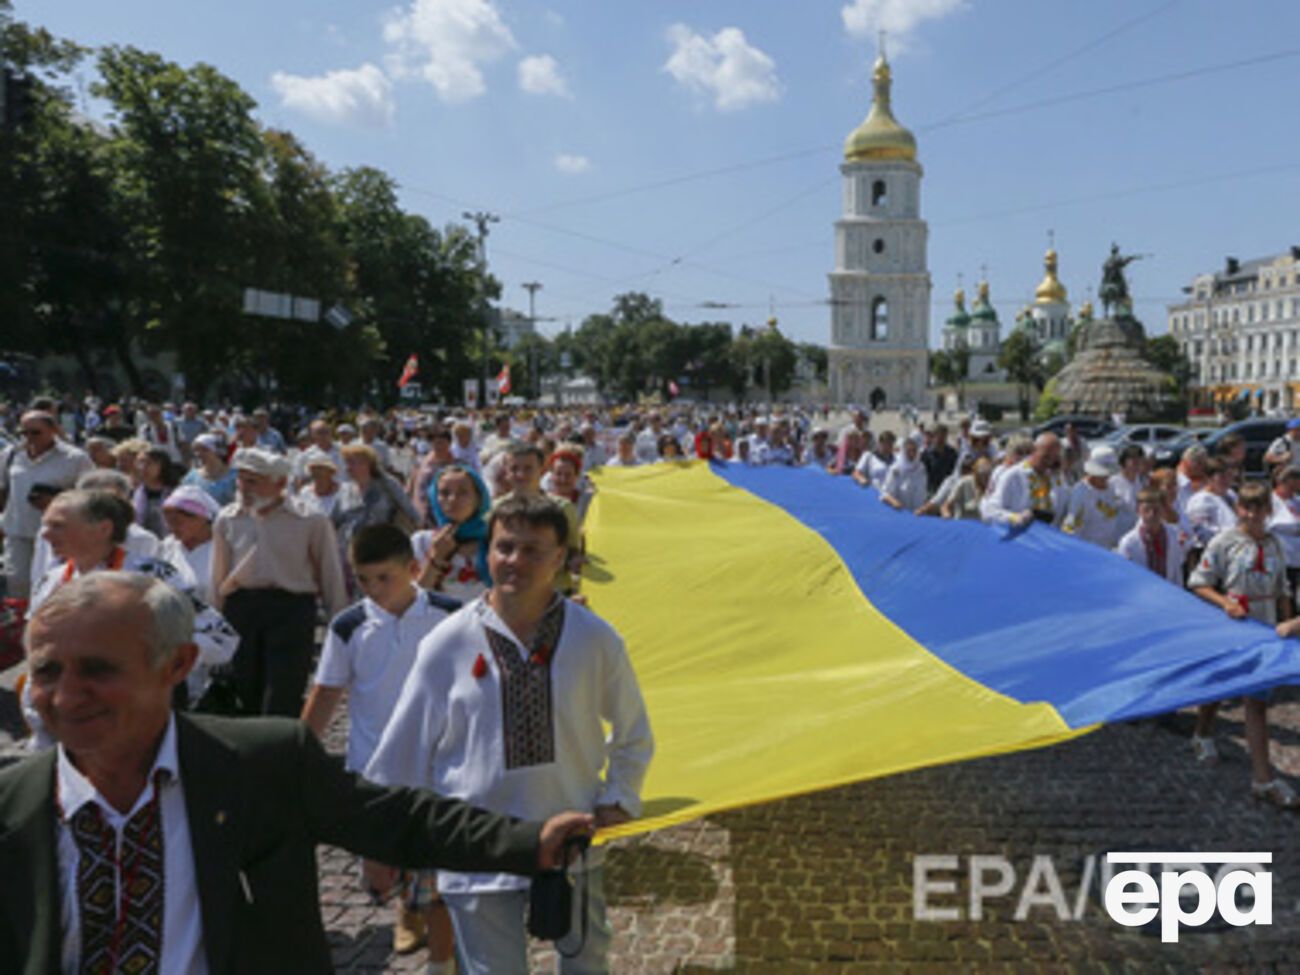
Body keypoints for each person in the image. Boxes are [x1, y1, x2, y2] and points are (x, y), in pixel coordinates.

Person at [1, 572, 594, 973]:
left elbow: (395, 821)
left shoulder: (261, 763)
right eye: (48, 671)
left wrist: (526, 842)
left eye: (97, 670)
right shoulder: (13, 804)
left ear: (176, 664)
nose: (66, 696)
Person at [366, 494, 654, 975]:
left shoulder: (594, 638)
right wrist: (379, 845)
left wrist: (619, 796)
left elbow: (633, 730)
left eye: (532, 550)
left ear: (561, 557)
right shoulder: (447, 643)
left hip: (571, 838)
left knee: (587, 962)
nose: (514, 561)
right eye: (504, 547)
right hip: (476, 844)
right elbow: (404, 751)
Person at [301, 525, 462, 965]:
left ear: (413, 569)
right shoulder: (349, 626)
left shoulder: (452, 616)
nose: (373, 590)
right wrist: (294, 753)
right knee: (387, 872)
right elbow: (326, 696)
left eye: (384, 578)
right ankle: (405, 911)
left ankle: (442, 962)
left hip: (439, 768)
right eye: (363, 580)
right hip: (374, 772)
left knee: (440, 884)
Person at [30, 489, 238, 709]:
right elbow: (38, 653)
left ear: (103, 529)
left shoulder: (150, 576)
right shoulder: (51, 581)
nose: (45, 534)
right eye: (45, 524)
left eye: (58, 525)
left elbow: (219, 638)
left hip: (143, 707)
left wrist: (145, 653)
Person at [210, 448, 348, 716]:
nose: (244, 487)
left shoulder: (310, 519)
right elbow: (218, 574)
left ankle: (278, 753)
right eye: (241, 479)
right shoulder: (228, 518)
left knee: (283, 689)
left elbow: (330, 573)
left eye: (253, 481)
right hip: (242, 608)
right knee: (243, 687)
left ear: (280, 483)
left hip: (291, 609)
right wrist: (214, 626)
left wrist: (339, 625)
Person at [1187, 482, 1298, 807]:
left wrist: (1287, 628)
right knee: (1221, 686)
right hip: (1233, 626)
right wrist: (1225, 603)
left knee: (1256, 702)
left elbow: (1282, 591)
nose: (1252, 514)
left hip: (1266, 629)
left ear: (1267, 510)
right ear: (1239, 510)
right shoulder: (1225, 542)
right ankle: (1202, 732)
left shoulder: (1276, 545)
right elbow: (1199, 583)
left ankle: (1263, 780)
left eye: (1258, 507)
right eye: (1246, 507)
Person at [0, 410, 93, 598]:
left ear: (54, 430)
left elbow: (92, 494)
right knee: (17, 583)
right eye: (24, 433)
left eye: (36, 432)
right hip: (18, 532)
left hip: (58, 534)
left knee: (55, 586)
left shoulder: (74, 458)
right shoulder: (11, 455)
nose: (29, 438)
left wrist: (57, 500)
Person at [415, 465, 493, 601]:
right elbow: (415, 600)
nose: (452, 499)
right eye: (444, 493)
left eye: (463, 492)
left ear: (479, 498)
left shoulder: (495, 541)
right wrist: (436, 557)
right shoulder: (422, 541)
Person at [983, 433, 1066, 527]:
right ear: (1034, 451)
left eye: (1053, 458)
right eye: (1045, 457)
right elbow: (989, 510)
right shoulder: (1014, 476)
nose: (1049, 462)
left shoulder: (1055, 478)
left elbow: (1063, 510)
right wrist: (1015, 517)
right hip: (1019, 538)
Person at [1060, 446, 1134, 549]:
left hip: (1108, 549)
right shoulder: (1081, 493)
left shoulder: (1111, 488)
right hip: (1088, 551)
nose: (1106, 477)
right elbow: (1072, 529)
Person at [160, 485, 222, 603]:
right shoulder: (167, 546)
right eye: (169, 522)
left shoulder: (221, 549)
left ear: (202, 520)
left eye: (178, 521)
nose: (172, 527)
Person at [1115, 487, 1188, 585]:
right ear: (1138, 511)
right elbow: (1124, 575)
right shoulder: (1129, 542)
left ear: (1163, 510)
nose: (1152, 514)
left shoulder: (1174, 535)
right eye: (1146, 510)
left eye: (1156, 510)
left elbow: (1176, 571)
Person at [1185, 458, 1238, 547]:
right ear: (1208, 478)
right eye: (1222, 477)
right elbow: (1202, 534)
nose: (1227, 480)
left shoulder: (1230, 495)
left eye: (1229, 476)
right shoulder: (1201, 500)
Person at [134, 446, 181, 539]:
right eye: (140, 463)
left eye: (149, 463)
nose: (143, 468)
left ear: (162, 465)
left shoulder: (177, 492)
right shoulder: (134, 492)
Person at [182, 432, 236, 507]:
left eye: (205, 450)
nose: (199, 454)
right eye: (196, 450)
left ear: (217, 451)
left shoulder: (235, 476)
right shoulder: (191, 478)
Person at [880, 436, 927, 512]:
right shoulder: (895, 469)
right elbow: (885, 493)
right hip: (900, 511)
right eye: (909, 450)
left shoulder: (921, 468)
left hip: (918, 512)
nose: (912, 453)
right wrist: (894, 502)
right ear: (904, 451)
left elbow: (922, 491)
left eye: (914, 450)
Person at [921, 423, 957, 495]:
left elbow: (954, 472)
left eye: (944, 435)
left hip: (948, 490)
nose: (941, 438)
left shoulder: (952, 453)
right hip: (932, 491)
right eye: (939, 435)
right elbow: (924, 474)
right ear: (934, 436)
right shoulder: (926, 454)